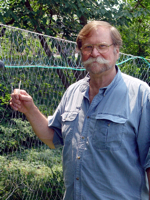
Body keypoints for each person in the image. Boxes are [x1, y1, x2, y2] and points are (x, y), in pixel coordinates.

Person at [10, 21, 150, 200]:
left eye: (102, 46)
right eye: (88, 47)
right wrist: (29, 109)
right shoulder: (72, 92)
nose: (94, 53)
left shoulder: (140, 94)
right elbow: (53, 138)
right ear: (80, 52)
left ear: (117, 51)